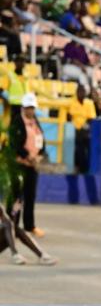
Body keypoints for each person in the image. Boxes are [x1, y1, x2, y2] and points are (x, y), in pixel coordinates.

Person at [8, 93, 46, 238]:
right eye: (29, 107)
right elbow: (14, 143)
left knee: (30, 196)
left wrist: (39, 155)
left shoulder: (35, 122)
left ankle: (29, 226)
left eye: (33, 107)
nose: (31, 110)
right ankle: (12, 225)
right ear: (23, 107)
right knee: (17, 197)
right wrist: (27, 156)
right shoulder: (17, 122)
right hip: (19, 166)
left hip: (32, 166)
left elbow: (42, 141)